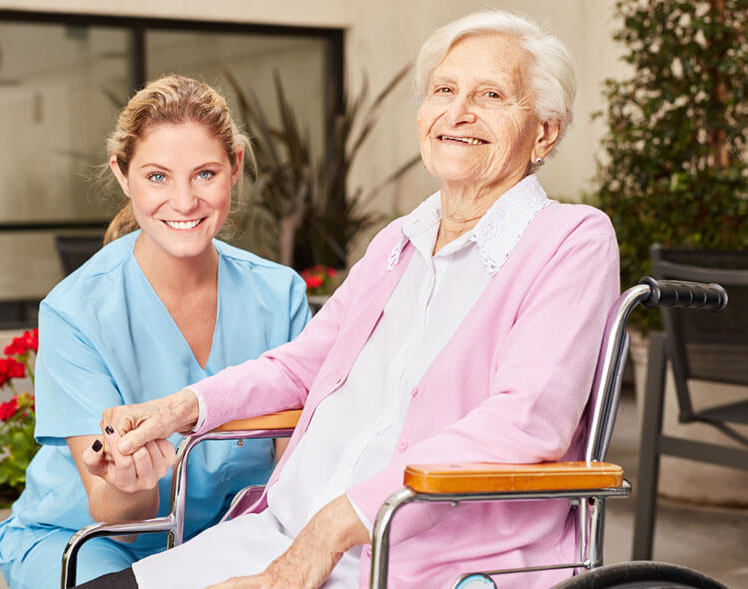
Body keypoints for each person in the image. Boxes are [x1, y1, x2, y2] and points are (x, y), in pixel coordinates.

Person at [83, 9, 620, 589]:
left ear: (544, 132)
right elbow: (302, 365)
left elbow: (526, 421)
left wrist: (334, 526)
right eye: (444, 89)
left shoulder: (570, 239)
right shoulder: (400, 242)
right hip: (281, 533)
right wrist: (179, 407)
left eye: (490, 94)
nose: (457, 112)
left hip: (413, 560)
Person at [0, 74, 311, 588]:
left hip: (233, 539)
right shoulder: (75, 311)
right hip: (93, 538)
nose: (183, 202)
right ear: (122, 174)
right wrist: (131, 483)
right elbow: (118, 516)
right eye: (158, 176)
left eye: (205, 174)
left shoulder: (280, 295)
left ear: (236, 169)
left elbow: (296, 478)